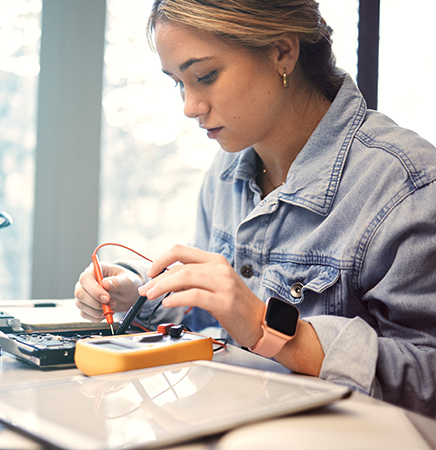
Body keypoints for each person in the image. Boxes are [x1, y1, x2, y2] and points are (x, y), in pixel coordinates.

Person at [74, 0, 436, 418]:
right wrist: (141, 298)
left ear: (282, 51)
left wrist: (279, 333)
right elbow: (218, 317)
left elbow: (427, 381)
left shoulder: (408, 185)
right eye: (179, 83)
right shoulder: (226, 169)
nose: (190, 106)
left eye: (205, 76)